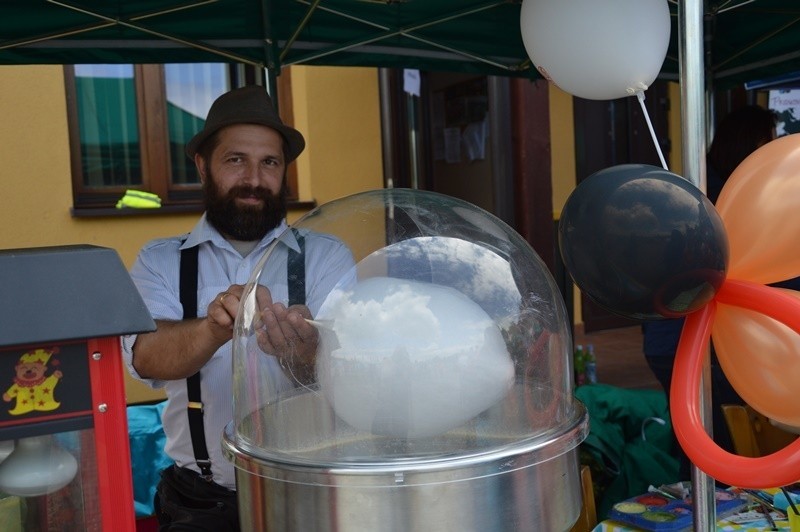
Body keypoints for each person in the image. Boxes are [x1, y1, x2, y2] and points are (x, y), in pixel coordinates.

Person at [122, 85, 354, 531]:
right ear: (202, 166)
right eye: (236, 160)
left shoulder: (327, 256)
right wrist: (212, 329)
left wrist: (302, 353)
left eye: (269, 162)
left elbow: (348, 376)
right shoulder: (160, 260)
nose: (254, 178)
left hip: (309, 492)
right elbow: (146, 356)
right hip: (198, 503)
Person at [642, 104, 782, 480]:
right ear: (752, 142)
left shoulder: (700, 186)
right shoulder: (734, 197)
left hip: (670, 335)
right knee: (722, 442)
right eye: (768, 140)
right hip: (698, 339)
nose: (773, 148)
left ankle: (694, 498)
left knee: (695, 436)